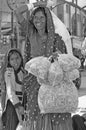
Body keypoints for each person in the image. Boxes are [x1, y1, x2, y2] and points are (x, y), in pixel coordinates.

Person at [15, 1, 73, 130]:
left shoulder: (56, 38)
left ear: (48, 20)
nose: (38, 20)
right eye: (35, 17)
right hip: (34, 82)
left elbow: (63, 61)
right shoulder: (30, 32)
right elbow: (17, 12)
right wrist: (35, 4)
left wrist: (56, 57)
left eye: (42, 17)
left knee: (51, 111)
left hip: (50, 83)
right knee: (36, 114)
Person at [1, 48, 25, 130]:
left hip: (22, 104)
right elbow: (10, 92)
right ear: (8, 61)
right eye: (12, 59)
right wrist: (18, 106)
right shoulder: (8, 73)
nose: (15, 61)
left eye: (17, 58)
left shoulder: (23, 72)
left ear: (21, 58)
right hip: (13, 105)